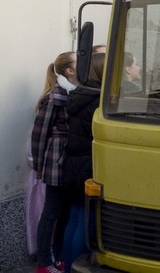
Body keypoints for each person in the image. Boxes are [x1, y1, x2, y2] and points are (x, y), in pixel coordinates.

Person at [31, 51, 77, 273]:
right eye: (78, 61)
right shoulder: (54, 96)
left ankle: (57, 257)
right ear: (69, 70)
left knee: (64, 211)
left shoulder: (72, 92)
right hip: (55, 160)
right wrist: (39, 166)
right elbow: (39, 134)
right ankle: (43, 263)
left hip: (68, 160)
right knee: (51, 212)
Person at [62, 53, 104, 271]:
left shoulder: (79, 94)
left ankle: (67, 266)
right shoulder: (98, 100)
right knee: (86, 224)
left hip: (73, 164)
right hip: (88, 166)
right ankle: (75, 267)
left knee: (74, 218)